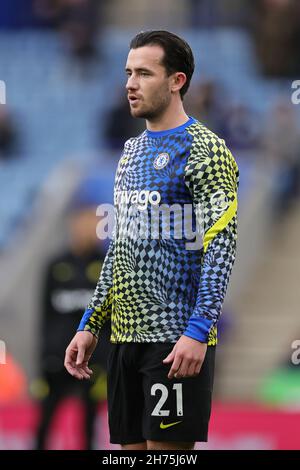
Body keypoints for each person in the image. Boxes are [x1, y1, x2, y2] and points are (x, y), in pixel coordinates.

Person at [65, 30, 239, 451]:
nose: (130, 83)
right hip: (124, 340)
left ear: (177, 80)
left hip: (174, 338)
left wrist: (198, 331)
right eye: (128, 72)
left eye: (144, 73)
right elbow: (120, 248)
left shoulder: (206, 151)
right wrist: (92, 323)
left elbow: (221, 247)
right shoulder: (130, 152)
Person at [35, 195, 111, 450]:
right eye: (85, 222)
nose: (90, 229)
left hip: (93, 362)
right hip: (57, 359)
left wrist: (105, 358)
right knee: (45, 419)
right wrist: (45, 356)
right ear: (73, 224)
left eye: (95, 223)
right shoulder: (57, 265)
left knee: (89, 424)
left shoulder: (106, 266)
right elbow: (45, 316)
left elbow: (110, 318)